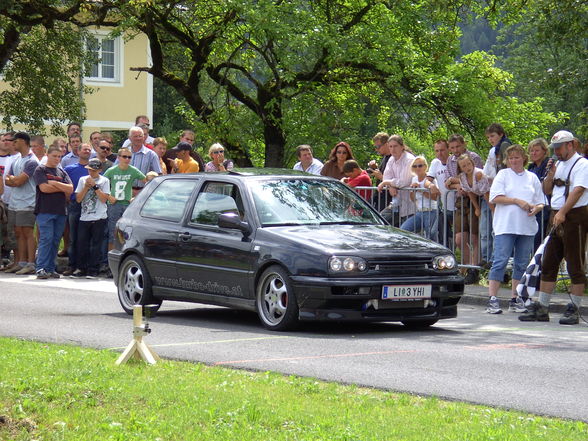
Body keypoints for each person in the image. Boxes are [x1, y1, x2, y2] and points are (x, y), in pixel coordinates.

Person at [519, 130, 588, 325]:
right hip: (556, 215)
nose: (556, 151)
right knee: (549, 261)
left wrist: (563, 212)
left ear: (571, 145)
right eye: (554, 148)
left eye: (559, 147)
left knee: (575, 263)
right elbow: (546, 190)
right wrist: (550, 174)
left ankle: (574, 309)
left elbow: (578, 191)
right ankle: (543, 307)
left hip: (575, 216)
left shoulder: (582, 164)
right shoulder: (557, 164)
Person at [485, 145, 544, 314]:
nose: (513, 161)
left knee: (521, 264)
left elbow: (541, 200)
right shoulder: (503, 175)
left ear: (523, 158)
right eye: (510, 158)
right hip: (506, 225)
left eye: (517, 157)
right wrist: (517, 201)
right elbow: (495, 197)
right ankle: (492, 298)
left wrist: (537, 208)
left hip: (526, 226)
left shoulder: (532, 177)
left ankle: (515, 298)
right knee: (500, 261)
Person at [447, 153, 489, 284]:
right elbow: (470, 192)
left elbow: (486, 193)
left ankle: (477, 268)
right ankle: (465, 269)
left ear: (473, 163)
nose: (467, 167)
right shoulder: (462, 177)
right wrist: (477, 207)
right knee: (460, 238)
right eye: (463, 166)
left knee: (480, 235)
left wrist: (491, 209)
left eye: (468, 164)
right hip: (474, 201)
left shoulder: (479, 174)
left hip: (487, 198)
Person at [32, 145, 73, 279]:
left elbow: (70, 189)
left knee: (55, 240)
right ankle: (40, 267)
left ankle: (50, 268)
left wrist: (55, 184)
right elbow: (44, 188)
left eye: (59, 156)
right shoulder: (41, 170)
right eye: (54, 156)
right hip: (45, 210)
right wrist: (62, 187)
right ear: (47, 155)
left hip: (60, 211)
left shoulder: (62, 172)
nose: (57, 159)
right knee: (46, 239)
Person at [3, 132, 39, 275]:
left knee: (28, 232)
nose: (12, 143)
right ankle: (21, 262)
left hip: (28, 202)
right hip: (15, 202)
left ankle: (31, 263)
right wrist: (13, 180)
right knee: (18, 232)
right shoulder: (17, 160)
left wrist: (13, 179)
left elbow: (18, 181)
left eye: (15, 141)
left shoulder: (32, 161)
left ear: (23, 142)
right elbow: (8, 181)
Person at [480, 123, 512, 268]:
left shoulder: (506, 147)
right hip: (490, 191)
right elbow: (487, 172)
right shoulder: (494, 150)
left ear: (500, 134)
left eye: (492, 136)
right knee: (486, 229)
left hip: (501, 193)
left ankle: (497, 260)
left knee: (497, 229)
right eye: (488, 137)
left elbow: (506, 171)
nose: (490, 139)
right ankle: (488, 259)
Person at [73, 158, 110, 278]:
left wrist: (95, 187)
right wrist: (85, 187)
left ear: (99, 170)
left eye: (94, 170)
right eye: (89, 170)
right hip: (85, 217)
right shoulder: (82, 180)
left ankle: (93, 269)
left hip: (99, 217)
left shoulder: (104, 181)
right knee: (82, 243)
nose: (91, 173)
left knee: (96, 244)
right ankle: (81, 268)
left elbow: (104, 199)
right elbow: (78, 199)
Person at [104, 148, 145, 253]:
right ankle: (109, 261)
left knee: (127, 233)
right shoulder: (111, 170)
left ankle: (122, 257)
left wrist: (136, 198)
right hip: (114, 205)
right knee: (113, 232)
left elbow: (148, 181)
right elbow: (101, 184)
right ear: (118, 157)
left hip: (127, 205)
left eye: (129, 157)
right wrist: (108, 196)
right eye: (124, 156)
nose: (127, 159)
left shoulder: (133, 170)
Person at [63, 143, 93, 276]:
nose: (87, 151)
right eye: (84, 149)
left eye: (89, 149)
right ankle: (72, 265)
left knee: (87, 238)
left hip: (90, 206)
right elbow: (65, 186)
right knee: (73, 237)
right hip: (75, 206)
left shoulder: (95, 169)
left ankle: (85, 266)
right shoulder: (69, 169)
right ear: (78, 151)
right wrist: (69, 199)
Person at [377, 135, 415, 227]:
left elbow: (403, 182)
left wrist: (387, 183)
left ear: (402, 147)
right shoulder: (391, 159)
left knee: (408, 233)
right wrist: (391, 186)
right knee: (379, 221)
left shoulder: (409, 159)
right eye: (390, 146)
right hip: (396, 203)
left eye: (395, 146)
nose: (393, 149)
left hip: (411, 205)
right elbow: (386, 176)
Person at [400, 156, 439, 241]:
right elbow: (413, 199)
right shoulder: (414, 179)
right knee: (404, 229)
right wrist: (413, 191)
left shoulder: (430, 178)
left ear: (425, 166)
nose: (417, 168)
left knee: (431, 237)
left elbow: (435, 197)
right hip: (419, 212)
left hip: (431, 211)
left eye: (420, 165)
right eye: (415, 166)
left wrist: (421, 191)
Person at [427, 139, 454, 246]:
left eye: (442, 150)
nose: (440, 153)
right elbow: (427, 180)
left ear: (448, 149)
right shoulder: (435, 162)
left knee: (459, 237)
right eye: (437, 151)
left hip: (459, 205)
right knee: (436, 233)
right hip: (445, 207)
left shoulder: (454, 161)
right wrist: (431, 185)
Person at [527, 138, 551, 250]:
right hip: (532, 206)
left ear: (544, 151)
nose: (533, 153)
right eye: (531, 151)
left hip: (545, 206)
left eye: (536, 150)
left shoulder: (549, 165)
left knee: (540, 238)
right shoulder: (531, 167)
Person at [126, 126, 161, 193]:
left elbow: (158, 176)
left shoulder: (151, 155)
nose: (138, 138)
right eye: (135, 136)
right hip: (126, 192)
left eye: (140, 136)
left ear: (144, 137)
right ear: (129, 138)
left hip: (144, 192)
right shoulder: (124, 153)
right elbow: (115, 170)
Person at [368, 132, 391, 211]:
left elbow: (395, 179)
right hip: (380, 197)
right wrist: (375, 168)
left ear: (387, 144)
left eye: (378, 146)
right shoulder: (385, 157)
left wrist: (381, 176)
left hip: (389, 199)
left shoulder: (394, 158)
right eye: (375, 147)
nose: (376, 149)